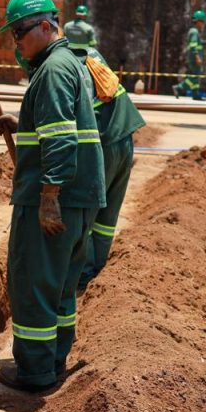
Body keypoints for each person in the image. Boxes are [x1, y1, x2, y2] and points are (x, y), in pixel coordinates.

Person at [0, 0, 105, 393]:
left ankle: (34, 373)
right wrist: (19, 125)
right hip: (80, 199)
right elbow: (58, 129)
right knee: (59, 287)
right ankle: (54, 361)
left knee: (34, 285)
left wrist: (48, 199)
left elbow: (60, 139)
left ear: (46, 26)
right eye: (12, 34)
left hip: (58, 199)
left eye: (20, 31)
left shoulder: (54, 69)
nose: (16, 42)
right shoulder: (67, 63)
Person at [70, 47, 145, 292]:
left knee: (84, 213)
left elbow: (63, 118)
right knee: (107, 215)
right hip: (124, 136)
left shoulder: (60, 67)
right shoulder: (87, 54)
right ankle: (94, 269)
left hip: (102, 143)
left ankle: (79, 278)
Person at [174, 9, 206, 100]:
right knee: (195, 76)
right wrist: (197, 57)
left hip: (193, 58)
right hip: (194, 58)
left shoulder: (194, 31)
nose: (203, 24)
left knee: (195, 75)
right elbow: (193, 46)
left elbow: (198, 42)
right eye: (203, 22)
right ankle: (179, 87)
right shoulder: (194, 32)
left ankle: (195, 94)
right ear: (199, 22)